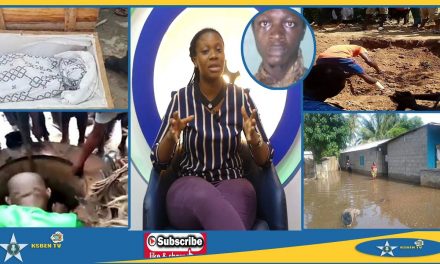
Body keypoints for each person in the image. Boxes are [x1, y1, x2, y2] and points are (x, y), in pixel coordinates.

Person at [151, 28, 273, 230]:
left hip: (234, 183)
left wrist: (254, 140)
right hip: (189, 187)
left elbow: (264, 160)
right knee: (202, 195)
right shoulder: (180, 99)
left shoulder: (241, 97)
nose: (214, 55)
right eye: (205, 51)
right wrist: (171, 139)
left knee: (231, 211)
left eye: (219, 49)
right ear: (194, 60)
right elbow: (159, 161)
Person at [0, 172, 83, 227]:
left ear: (8, 200)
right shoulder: (71, 222)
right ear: (48, 192)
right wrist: (60, 216)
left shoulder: (2, 214)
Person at [252, 9, 307, 88]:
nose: (276, 35)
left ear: (303, 32)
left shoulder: (315, 81)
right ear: (254, 30)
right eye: (264, 23)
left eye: (290, 23)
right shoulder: (248, 90)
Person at [316, 43, 386, 94]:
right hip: (341, 57)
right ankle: (382, 88)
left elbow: (335, 62)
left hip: (321, 58)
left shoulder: (339, 46)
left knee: (324, 75)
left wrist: (349, 73)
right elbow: (369, 60)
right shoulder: (360, 48)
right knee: (363, 75)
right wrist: (378, 70)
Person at [72, 112, 119, 177]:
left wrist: (79, 164)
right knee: (101, 126)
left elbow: (96, 135)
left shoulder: (106, 110)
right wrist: (80, 163)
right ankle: (101, 150)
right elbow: (97, 133)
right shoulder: (103, 112)